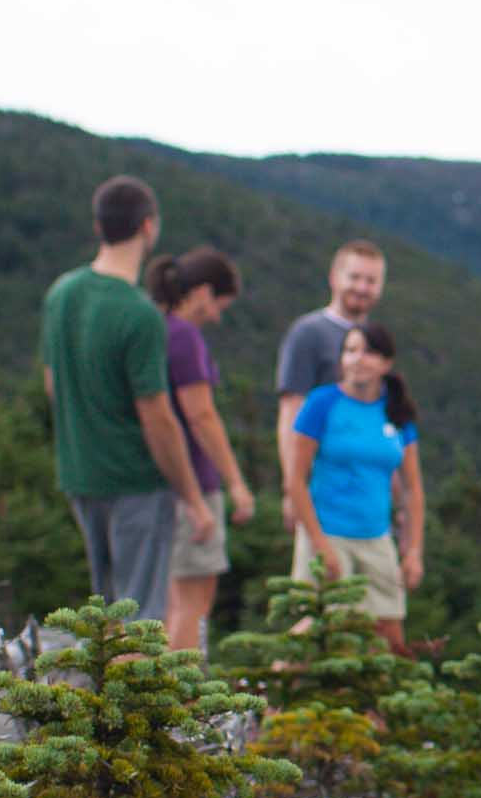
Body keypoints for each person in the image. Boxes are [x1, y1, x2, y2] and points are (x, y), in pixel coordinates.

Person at [36, 176, 214, 625]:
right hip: (135, 482)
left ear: (99, 226)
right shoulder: (140, 314)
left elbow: (52, 385)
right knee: (139, 616)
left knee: (105, 611)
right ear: (148, 227)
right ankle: (131, 698)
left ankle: (100, 694)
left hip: (80, 476)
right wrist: (193, 497)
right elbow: (158, 418)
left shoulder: (61, 294)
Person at [282, 319, 422, 645]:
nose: (358, 359)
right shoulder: (322, 403)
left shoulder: (396, 411)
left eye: (369, 352)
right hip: (327, 532)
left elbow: (413, 489)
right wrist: (318, 543)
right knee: (315, 632)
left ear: (386, 363)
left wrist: (414, 550)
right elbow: (295, 478)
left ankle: (373, 698)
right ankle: (265, 692)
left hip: (376, 538)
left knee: (387, 634)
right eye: (351, 350)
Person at [147, 244, 256, 652]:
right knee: (193, 601)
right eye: (219, 304)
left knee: (164, 600)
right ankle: (180, 703)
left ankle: (153, 694)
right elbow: (201, 415)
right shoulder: (185, 336)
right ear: (204, 292)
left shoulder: (152, 328)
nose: (218, 315)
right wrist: (236, 482)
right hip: (193, 481)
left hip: (154, 481)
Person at [274, 237, 387, 418]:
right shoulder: (308, 332)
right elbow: (292, 407)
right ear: (334, 278)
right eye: (354, 277)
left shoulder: (378, 339)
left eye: (371, 281)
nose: (362, 288)